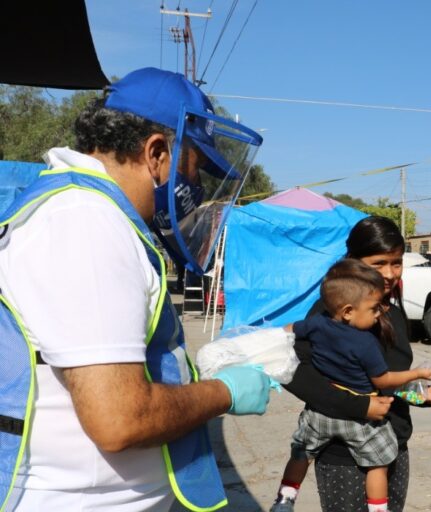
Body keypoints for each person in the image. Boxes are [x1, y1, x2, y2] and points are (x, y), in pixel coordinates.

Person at [0, 68, 273, 511]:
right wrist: (223, 392)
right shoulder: (85, 221)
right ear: (157, 153)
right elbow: (119, 418)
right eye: (195, 167)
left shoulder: (86, 212)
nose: (199, 186)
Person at [284, 216, 431, 512]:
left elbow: (389, 381)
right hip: (344, 455)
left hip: (393, 446)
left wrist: (424, 395)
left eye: (396, 262)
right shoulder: (331, 316)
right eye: (378, 263)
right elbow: (299, 379)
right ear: (354, 262)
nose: (389, 273)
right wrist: (361, 407)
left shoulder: (394, 313)